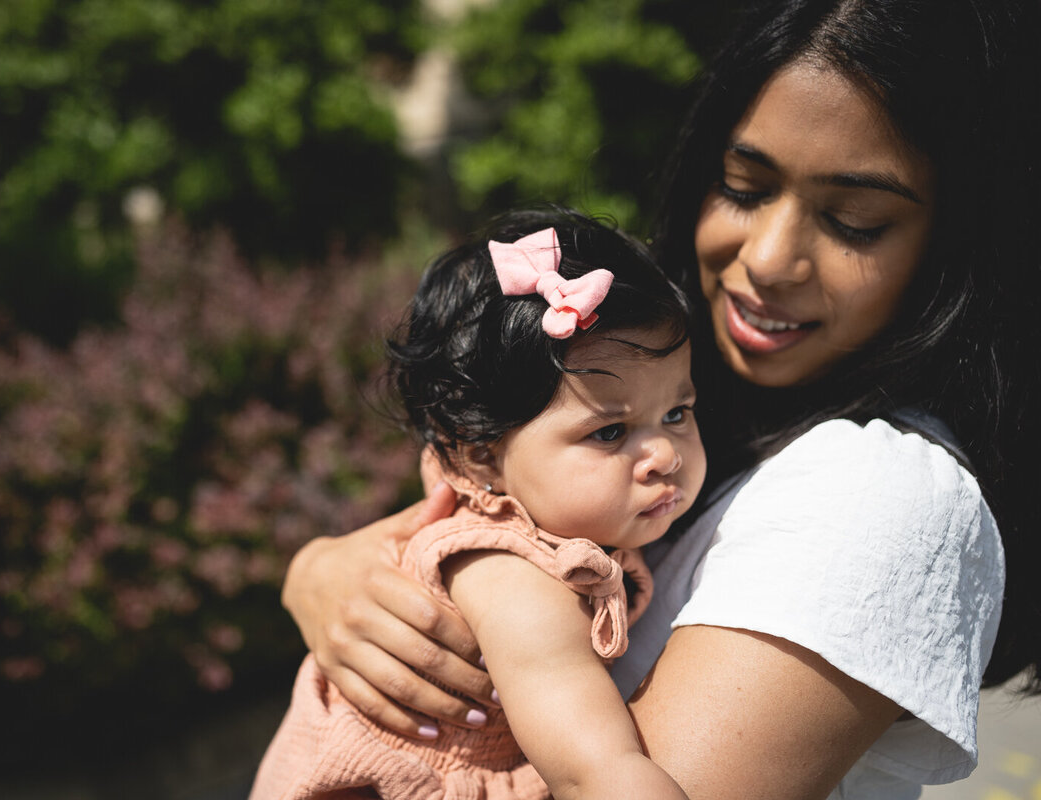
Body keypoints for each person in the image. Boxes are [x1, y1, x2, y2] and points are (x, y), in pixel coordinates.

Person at [279, 0, 1041, 798]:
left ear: (962, 241)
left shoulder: (883, 493)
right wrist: (321, 574)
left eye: (853, 221)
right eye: (743, 187)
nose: (771, 260)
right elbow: (427, 537)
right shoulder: (666, 400)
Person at [251, 209, 704, 799]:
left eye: (677, 413)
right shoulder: (511, 573)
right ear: (483, 459)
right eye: (610, 433)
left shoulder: (584, 527)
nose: (664, 455)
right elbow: (593, 768)